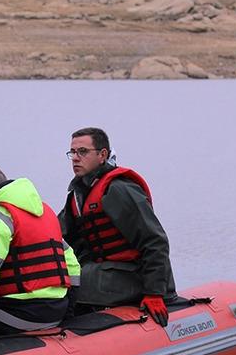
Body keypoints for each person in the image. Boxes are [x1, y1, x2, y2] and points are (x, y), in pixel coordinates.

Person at [58, 127, 177, 327]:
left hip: (134, 276)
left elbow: (154, 241)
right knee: (59, 279)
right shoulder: (78, 195)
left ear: (102, 155)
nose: (76, 158)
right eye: (73, 152)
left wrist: (154, 293)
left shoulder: (118, 189)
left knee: (73, 284)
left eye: (83, 152)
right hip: (105, 272)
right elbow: (58, 235)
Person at [0, 164, 80, 335]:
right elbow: (72, 263)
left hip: (21, 313)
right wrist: (70, 308)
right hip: (57, 310)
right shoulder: (45, 211)